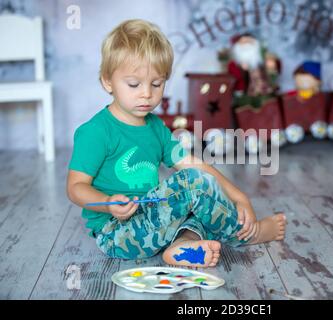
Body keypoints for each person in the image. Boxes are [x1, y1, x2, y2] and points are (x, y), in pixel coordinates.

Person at [66, 19, 287, 267]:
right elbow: (75, 187)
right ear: (108, 81)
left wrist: (240, 197)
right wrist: (107, 204)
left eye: (157, 84)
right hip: (117, 233)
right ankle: (249, 233)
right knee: (192, 185)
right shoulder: (95, 132)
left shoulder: (155, 127)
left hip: (153, 223)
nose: (147, 94)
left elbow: (197, 166)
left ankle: (183, 245)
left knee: (199, 201)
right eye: (134, 84)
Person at [227, 33, 279, 108]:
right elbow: (234, 77)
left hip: (264, 88)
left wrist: (271, 67)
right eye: (243, 43)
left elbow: (273, 70)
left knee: (267, 104)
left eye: (249, 42)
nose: (246, 44)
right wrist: (241, 68)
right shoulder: (235, 63)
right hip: (247, 91)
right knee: (247, 108)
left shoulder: (262, 58)